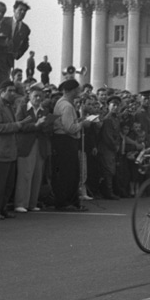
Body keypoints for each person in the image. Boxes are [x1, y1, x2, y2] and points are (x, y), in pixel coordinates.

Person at [0, 81, 35, 220]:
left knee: (7, 185)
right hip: (0, 152)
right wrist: (18, 125)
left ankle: (2, 208)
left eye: (14, 91)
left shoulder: (8, 106)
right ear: (2, 91)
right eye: (10, 91)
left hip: (10, 152)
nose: (13, 93)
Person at [51, 79, 94, 211]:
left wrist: (79, 120)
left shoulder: (64, 103)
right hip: (66, 141)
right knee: (69, 173)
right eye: (78, 89)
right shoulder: (67, 106)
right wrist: (83, 124)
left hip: (63, 140)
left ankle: (70, 200)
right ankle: (66, 201)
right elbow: (69, 128)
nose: (79, 92)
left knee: (71, 172)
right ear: (72, 90)